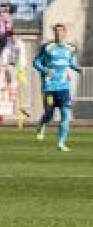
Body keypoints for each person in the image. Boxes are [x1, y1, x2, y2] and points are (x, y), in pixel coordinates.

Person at [33, 23, 81, 152]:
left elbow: (71, 63)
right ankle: (42, 124)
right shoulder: (47, 48)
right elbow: (36, 62)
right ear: (54, 33)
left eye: (60, 32)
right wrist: (44, 69)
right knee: (49, 114)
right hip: (49, 87)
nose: (58, 34)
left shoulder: (70, 49)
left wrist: (78, 69)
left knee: (65, 114)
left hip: (64, 87)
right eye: (56, 32)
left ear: (65, 33)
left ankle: (61, 143)